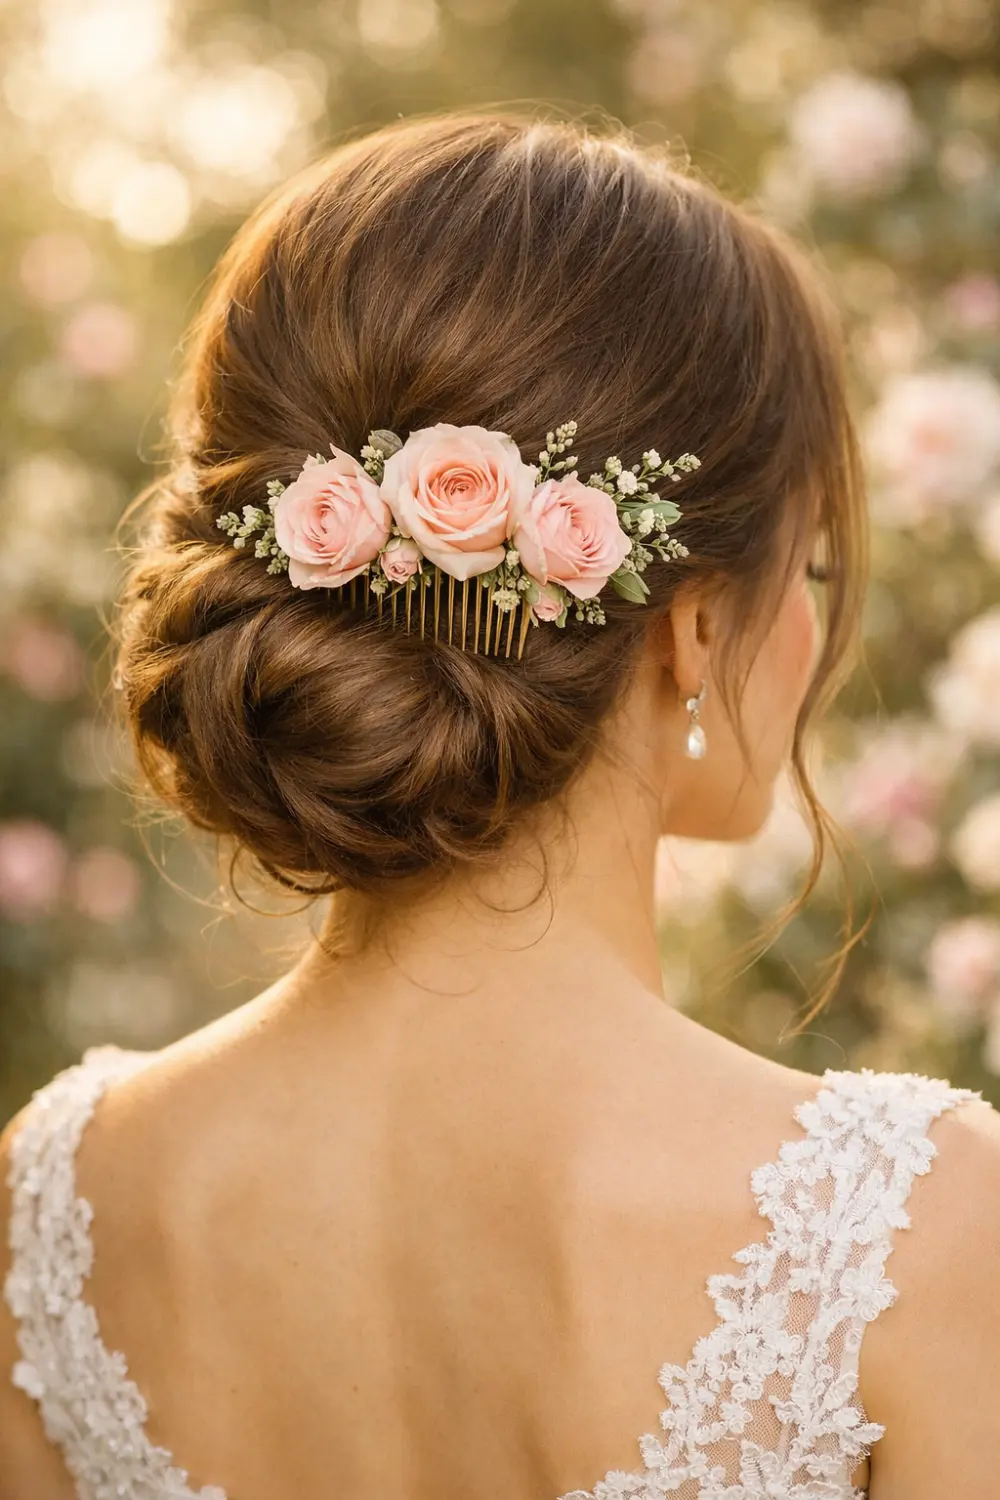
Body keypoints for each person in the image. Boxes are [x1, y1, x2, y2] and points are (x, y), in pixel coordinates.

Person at [1, 112, 998, 1500]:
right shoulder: (919, 1228)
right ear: (693, 627)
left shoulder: (58, 1200)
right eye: (812, 573)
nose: (811, 644)